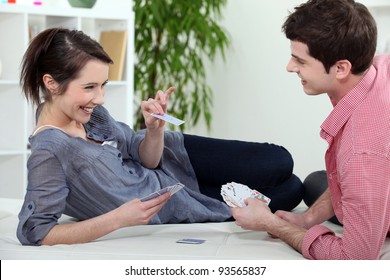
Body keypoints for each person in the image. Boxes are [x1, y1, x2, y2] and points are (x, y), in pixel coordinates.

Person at [17, 27, 304, 246]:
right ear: (51, 84)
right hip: (174, 200)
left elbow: (147, 159)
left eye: (103, 85)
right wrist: (119, 219)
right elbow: (36, 231)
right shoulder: (50, 149)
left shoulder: (88, 113)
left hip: (174, 158)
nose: (100, 98)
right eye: (90, 87)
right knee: (291, 190)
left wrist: (154, 129)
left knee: (279, 160)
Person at [232, 0, 390, 260]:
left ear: (341, 68)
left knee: (334, 181)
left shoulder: (362, 151)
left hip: (371, 159)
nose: (290, 67)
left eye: (300, 61)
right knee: (319, 181)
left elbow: (355, 260)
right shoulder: (378, 66)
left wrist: (272, 224)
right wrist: (306, 220)